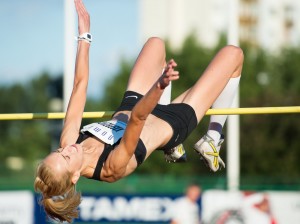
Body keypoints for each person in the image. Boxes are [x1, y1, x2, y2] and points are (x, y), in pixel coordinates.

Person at [34, 0, 244, 222]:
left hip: (134, 105)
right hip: (169, 122)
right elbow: (138, 119)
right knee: (233, 55)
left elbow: (79, 85)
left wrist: (84, 36)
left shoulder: (69, 141)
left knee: (155, 44)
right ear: (75, 176)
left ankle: (173, 147)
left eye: (59, 152)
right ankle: (213, 138)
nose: (67, 150)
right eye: (66, 158)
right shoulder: (109, 168)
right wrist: (158, 86)